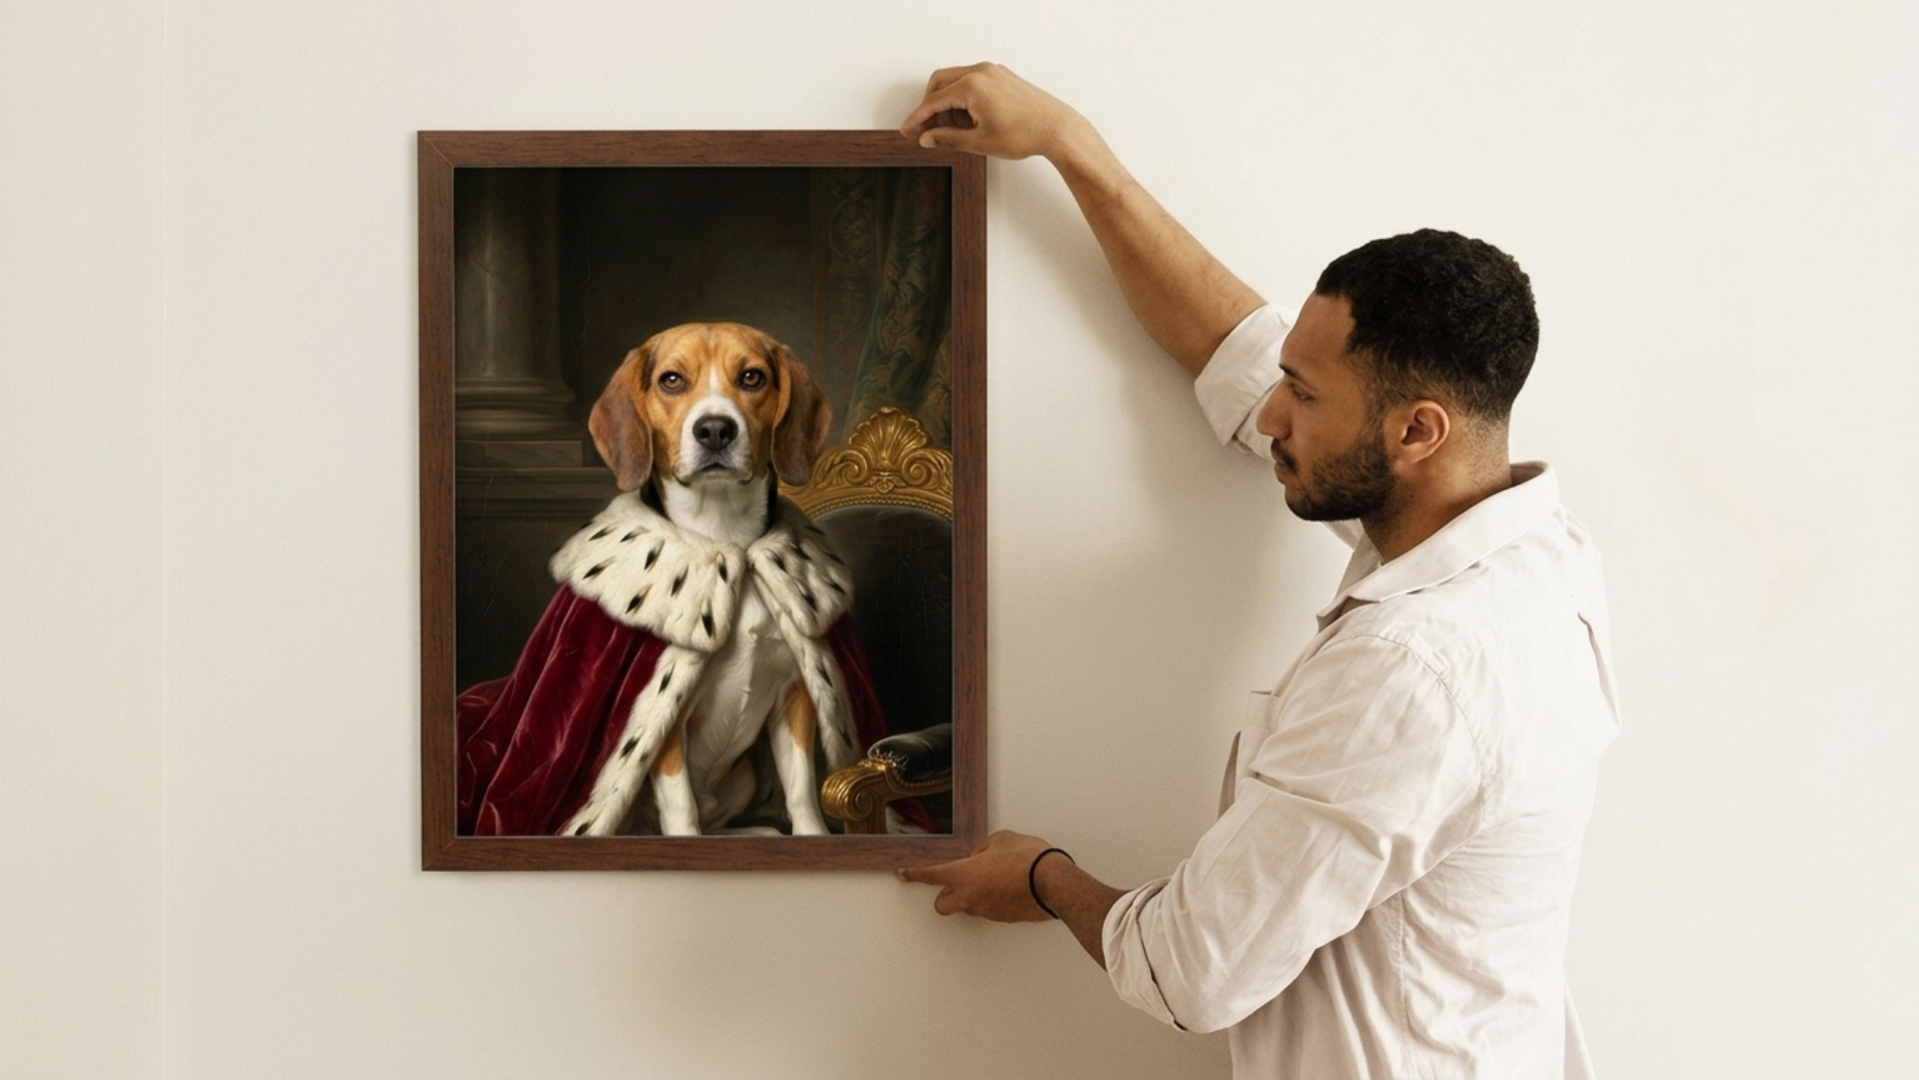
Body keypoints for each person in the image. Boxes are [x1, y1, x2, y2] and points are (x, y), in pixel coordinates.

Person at [894, 64, 1618, 1079]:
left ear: (1415, 433)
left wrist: (1045, 878)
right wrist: (1068, 143)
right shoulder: (1522, 545)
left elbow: (1191, 969)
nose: (1270, 416)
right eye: (1287, 377)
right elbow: (1231, 347)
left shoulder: (1411, 667)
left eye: (1304, 396)